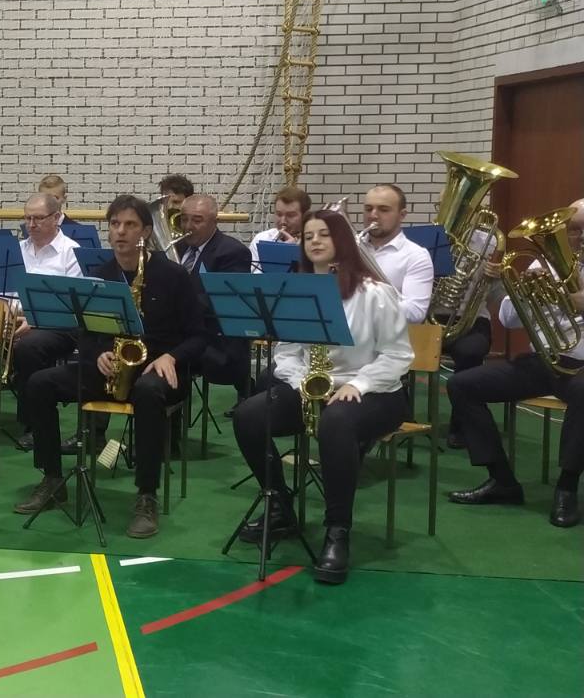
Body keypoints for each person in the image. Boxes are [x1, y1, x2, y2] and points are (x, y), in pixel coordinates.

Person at [232, 209, 414, 584]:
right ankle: (280, 506)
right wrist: (302, 382)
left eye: (324, 234)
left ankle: (337, 530)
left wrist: (357, 385)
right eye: (308, 236)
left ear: (341, 241)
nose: (314, 241)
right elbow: (286, 353)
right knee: (248, 416)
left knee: (336, 423)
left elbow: (398, 356)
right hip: (313, 385)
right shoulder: (296, 292)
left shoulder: (375, 294)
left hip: (376, 390)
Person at [14, 195, 207, 540]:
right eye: (115, 224)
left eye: (130, 225)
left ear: (145, 232)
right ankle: (52, 478)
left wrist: (171, 357)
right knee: (40, 383)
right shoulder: (101, 276)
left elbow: (199, 336)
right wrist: (97, 355)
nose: (120, 231)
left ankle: (146, 494)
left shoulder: (173, 275)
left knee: (148, 394)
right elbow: (86, 333)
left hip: (157, 370)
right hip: (111, 368)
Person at [447, 198, 583, 528]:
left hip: (581, 367)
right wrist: (525, 291)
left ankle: (567, 487)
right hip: (542, 361)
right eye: (575, 230)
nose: (581, 238)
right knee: (461, 385)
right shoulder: (546, 265)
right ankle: (502, 479)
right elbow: (508, 319)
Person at [9, 192, 83, 449]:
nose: (31, 224)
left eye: (39, 218)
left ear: (57, 217)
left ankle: (35, 425)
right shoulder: (16, 250)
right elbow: (2, 290)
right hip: (18, 317)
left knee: (29, 347)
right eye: (27, 218)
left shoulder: (71, 252)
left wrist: (34, 319)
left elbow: (72, 304)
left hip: (60, 324)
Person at [175, 194, 254, 405]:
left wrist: (175, 303)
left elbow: (223, 301)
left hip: (213, 337)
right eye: (184, 219)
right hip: (180, 333)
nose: (188, 226)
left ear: (214, 222)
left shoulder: (232, 252)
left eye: (197, 220)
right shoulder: (176, 247)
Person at [359, 184, 434, 324]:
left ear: (402, 215)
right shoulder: (351, 248)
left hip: (386, 335)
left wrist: (363, 304)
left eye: (383, 210)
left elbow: (415, 312)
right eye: (368, 209)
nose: (373, 215)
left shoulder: (415, 256)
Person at [250, 186, 310, 268]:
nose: (283, 221)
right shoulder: (262, 238)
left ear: (305, 216)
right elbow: (254, 273)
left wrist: (294, 251)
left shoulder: (312, 242)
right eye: (279, 214)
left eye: (290, 215)